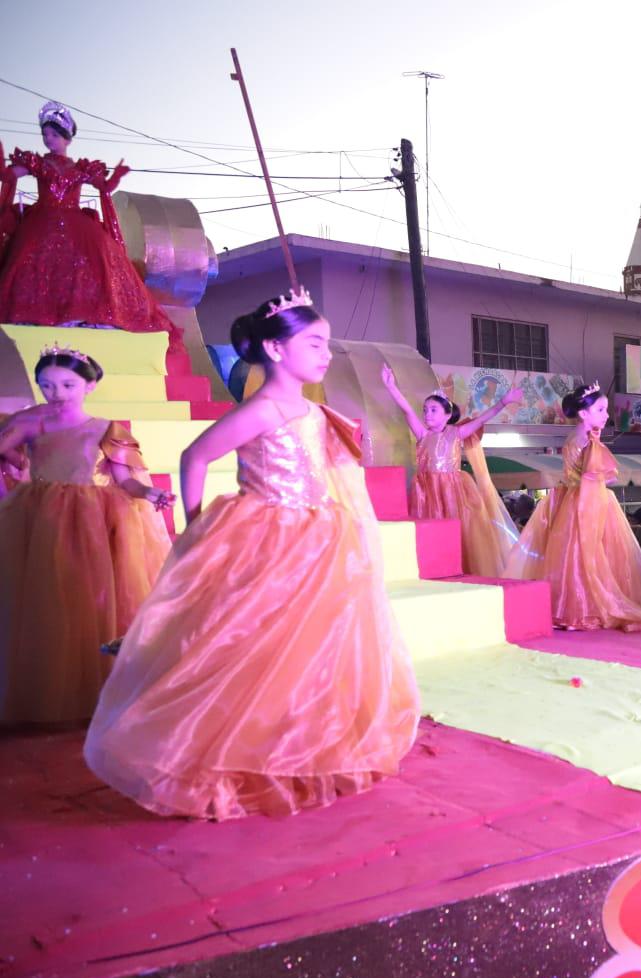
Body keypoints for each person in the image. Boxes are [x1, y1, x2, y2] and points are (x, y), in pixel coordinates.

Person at [84, 289, 419, 819]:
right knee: (252, 644)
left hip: (318, 535)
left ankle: (301, 745)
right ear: (276, 349)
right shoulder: (262, 410)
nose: (326, 354)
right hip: (266, 537)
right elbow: (196, 456)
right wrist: (195, 527)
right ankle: (225, 753)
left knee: (310, 645)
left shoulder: (310, 409)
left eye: (326, 343)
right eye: (314, 343)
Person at [0, 348, 173, 724]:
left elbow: (125, 479)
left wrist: (150, 492)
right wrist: (19, 431)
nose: (56, 392)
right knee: (50, 595)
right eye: (46, 385)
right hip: (43, 515)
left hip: (95, 516)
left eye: (67, 384)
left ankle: (104, 684)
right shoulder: (32, 423)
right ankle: (52, 685)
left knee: (96, 593)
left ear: (90, 385)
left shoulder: (106, 429)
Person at [0, 104, 184, 359]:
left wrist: (116, 177)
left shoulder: (80, 169)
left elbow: (104, 186)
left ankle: (84, 315)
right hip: (42, 222)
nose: (48, 139)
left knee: (93, 266)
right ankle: (33, 317)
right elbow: (7, 175)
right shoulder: (38, 163)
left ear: (66, 137)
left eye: (53, 134)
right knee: (31, 265)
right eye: (45, 135)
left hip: (76, 224)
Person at [509, 384, 641, 632]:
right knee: (587, 556)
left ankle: (574, 608)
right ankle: (583, 610)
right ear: (584, 413)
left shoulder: (579, 437)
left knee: (576, 557)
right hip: (586, 501)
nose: (606, 415)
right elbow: (601, 477)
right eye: (601, 409)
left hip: (577, 499)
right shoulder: (585, 440)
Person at [380, 365, 522, 577]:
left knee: (458, 532)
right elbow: (407, 410)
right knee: (429, 532)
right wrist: (391, 387)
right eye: (425, 410)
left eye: (433, 410)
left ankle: (458, 569)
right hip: (426, 493)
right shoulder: (422, 434)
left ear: (447, 415)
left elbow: (482, 418)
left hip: (452, 492)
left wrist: (504, 401)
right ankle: (431, 569)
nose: (427, 414)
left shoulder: (457, 433)